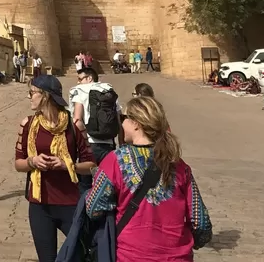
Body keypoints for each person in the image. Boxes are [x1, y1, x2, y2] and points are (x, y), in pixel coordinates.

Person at [86, 96, 212, 261]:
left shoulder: (114, 161)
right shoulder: (178, 164)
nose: (121, 124)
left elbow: (94, 208)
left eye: (124, 118)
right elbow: (201, 223)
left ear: (136, 123)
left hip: (131, 255)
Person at [15, 75, 95, 261]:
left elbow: (91, 165)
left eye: (32, 93)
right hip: (40, 205)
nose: (29, 97)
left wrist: (68, 165)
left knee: (85, 253)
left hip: (70, 203)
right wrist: (32, 162)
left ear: (45, 96)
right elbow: (18, 163)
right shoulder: (27, 125)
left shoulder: (74, 126)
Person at [69, 66, 122, 193]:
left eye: (80, 79)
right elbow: (118, 121)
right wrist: (122, 145)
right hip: (109, 143)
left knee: (85, 185)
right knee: (107, 184)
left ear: (89, 78)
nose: (78, 82)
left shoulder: (80, 91)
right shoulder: (109, 91)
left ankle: (85, 210)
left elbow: (77, 120)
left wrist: (79, 144)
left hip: (89, 144)